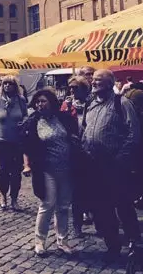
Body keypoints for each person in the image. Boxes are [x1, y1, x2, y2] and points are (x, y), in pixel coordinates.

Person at [82, 69, 141, 262]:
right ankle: (113, 245)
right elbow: (84, 129)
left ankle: (134, 241)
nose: (94, 83)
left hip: (115, 164)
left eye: (99, 81)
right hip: (93, 165)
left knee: (123, 204)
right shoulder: (89, 104)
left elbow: (134, 133)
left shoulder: (121, 103)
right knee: (101, 207)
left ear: (109, 84)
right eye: (93, 81)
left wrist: (121, 159)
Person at [24, 88, 77, 256]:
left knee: (63, 206)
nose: (40, 104)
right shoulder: (33, 122)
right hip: (47, 170)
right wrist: (27, 165)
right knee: (47, 204)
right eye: (38, 101)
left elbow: (73, 136)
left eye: (43, 101)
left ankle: (63, 241)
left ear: (51, 102)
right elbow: (26, 146)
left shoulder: (63, 118)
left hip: (67, 168)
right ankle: (39, 241)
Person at [0, 75, 28, 211]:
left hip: (17, 140)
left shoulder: (20, 100)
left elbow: (26, 115)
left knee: (16, 171)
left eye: (10, 84)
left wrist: (24, 121)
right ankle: (3, 195)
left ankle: (15, 199)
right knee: (4, 170)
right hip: (2, 140)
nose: (7, 86)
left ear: (15, 86)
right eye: (5, 84)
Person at [60, 75, 91, 237]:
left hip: (90, 151)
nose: (72, 91)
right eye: (70, 88)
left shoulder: (92, 103)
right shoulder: (66, 105)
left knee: (92, 189)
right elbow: (61, 126)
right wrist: (66, 111)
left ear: (84, 89)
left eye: (75, 88)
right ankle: (77, 225)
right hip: (74, 152)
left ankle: (98, 221)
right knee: (76, 192)